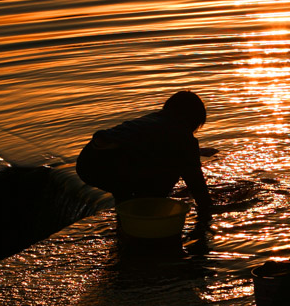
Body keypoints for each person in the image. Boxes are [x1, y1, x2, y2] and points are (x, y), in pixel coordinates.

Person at [76, 90, 214, 231]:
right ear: (192, 120)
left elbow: (148, 145)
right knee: (170, 172)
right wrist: (208, 213)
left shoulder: (153, 120)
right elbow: (197, 185)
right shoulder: (183, 137)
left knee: (126, 190)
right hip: (112, 164)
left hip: (88, 158)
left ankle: (125, 224)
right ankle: (150, 215)